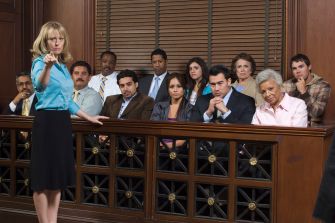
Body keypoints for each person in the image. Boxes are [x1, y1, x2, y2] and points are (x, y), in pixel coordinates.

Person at [30, 21, 108, 223]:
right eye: (52, 39)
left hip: (63, 123)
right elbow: (40, 86)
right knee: (41, 181)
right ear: (45, 41)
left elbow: (68, 101)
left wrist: (89, 117)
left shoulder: (64, 67)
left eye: (60, 38)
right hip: (46, 122)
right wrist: (47, 67)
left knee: (56, 181)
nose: (57, 42)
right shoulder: (39, 62)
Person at [190, 64, 255, 124]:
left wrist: (226, 112)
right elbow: (192, 128)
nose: (216, 88)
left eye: (220, 83)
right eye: (212, 84)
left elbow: (245, 131)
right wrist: (208, 113)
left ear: (229, 82)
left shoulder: (247, 101)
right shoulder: (201, 100)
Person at [283, 53, 331, 125]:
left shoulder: (323, 86)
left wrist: (304, 92)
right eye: (294, 68)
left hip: (311, 129)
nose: (298, 71)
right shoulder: (286, 85)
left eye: (301, 67)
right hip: (290, 126)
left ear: (309, 67)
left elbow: (316, 113)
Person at [151, 72, 193, 149]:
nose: (175, 90)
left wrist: (167, 145)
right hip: (158, 148)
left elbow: (188, 136)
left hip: (180, 151)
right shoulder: (159, 106)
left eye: (179, 86)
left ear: (184, 89)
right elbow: (153, 130)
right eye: (171, 87)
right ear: (168, 89)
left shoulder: (190, 108)